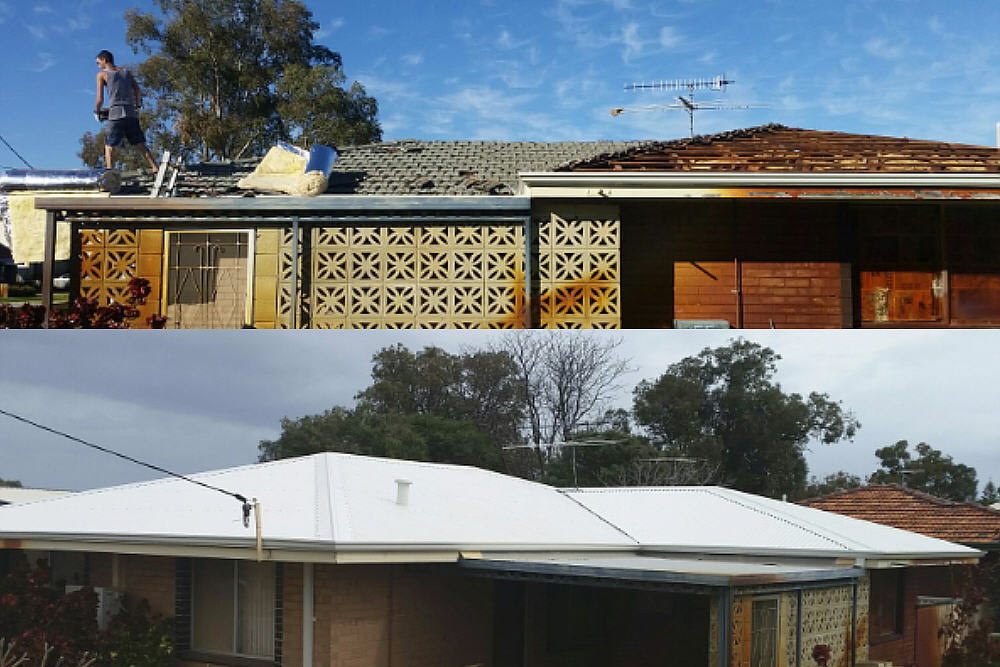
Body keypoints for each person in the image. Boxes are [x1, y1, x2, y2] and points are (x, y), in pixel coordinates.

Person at [94, 50, 157, 171]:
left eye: (98, 63)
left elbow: (99, 99)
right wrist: (137, 106)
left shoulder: (102, 75)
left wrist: (97, 111)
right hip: (130, 114)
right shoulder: (126, 72)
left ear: (104, 60)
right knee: (139, 143)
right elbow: (137, 90)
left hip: (115, 114)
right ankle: (155, 167)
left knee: (109, 146)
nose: (98, 66)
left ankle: (110, 172)